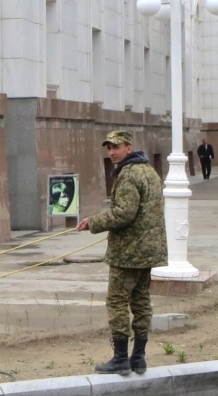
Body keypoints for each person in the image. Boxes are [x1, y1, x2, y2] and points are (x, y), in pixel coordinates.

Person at [76, 130, 167, 375]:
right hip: (148, 250)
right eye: (109, 148)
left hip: (129, 252)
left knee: (117, 301)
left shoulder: (128, 174)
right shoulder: (149, 171)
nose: (112, 152)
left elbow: (124, 212)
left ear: (129, 147)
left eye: (116, 147)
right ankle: (138, 358)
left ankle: (120, 358)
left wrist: (93, 222)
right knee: (140, 301)